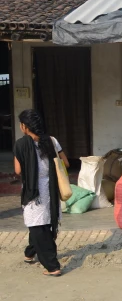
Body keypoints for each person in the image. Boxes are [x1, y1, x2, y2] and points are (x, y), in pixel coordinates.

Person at [13, 109, 69, 277]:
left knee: (38, 226)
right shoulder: (51, 141)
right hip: (50, 188)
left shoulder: (20, 144)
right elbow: (65, 162)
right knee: (41, 222)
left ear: (24, 126)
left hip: (33, 191)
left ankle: (52, 266)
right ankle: (30, 253)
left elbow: (18, 170)